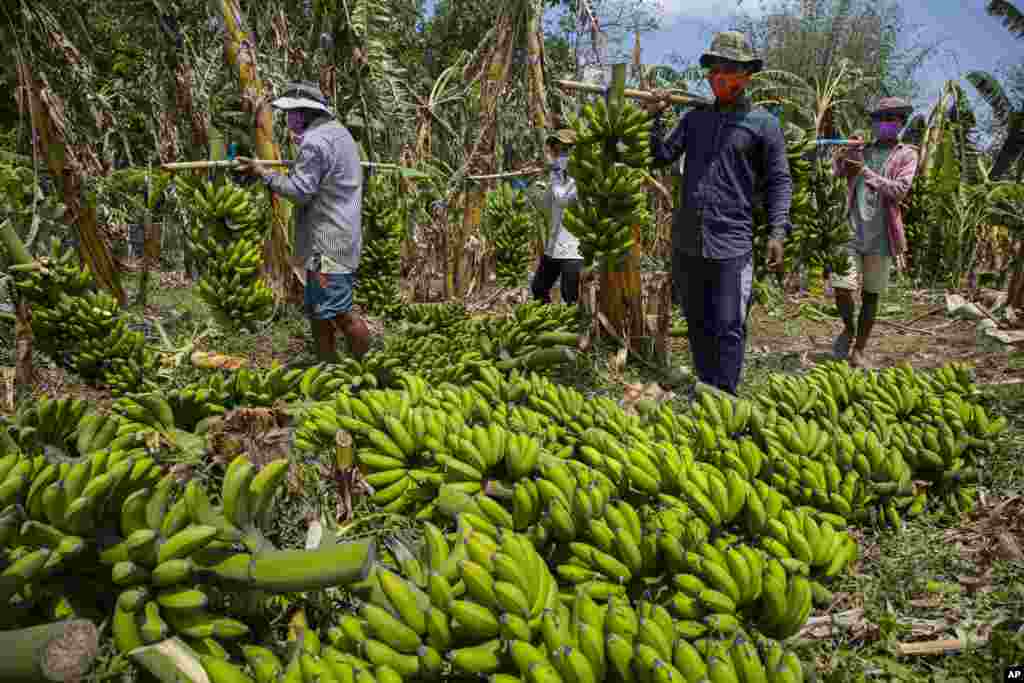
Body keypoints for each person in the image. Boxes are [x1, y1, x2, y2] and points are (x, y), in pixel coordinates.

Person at [644, 31, 793, 396]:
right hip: (689, 240)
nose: (718, 76)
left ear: (746, 76)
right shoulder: (696, 119)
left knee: (728, 323)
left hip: (731, 241)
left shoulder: (762, 124)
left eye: (728, 69)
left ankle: (725, 395)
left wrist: (777, 231)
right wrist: (656, 118)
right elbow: (661, 156)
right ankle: (706, 387)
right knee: (697, 322)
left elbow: (779, 180)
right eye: (714, 69)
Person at [236, 82, 371, 363]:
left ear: (304, 114)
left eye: (292, 113)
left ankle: (368, 371)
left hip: (327, 243)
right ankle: (328, 368)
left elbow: (299, 192)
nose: (288, 119)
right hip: (341, 233)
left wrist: (264, 173)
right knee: (319, 311)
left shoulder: (315, 142)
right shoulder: (339, 134)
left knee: (338, 312)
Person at [830, 97, 918, 368]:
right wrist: (845, 152)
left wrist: (865, 171)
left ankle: (859, 350)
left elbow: (899, 190)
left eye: (892, 119)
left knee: (870, 295)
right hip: (851, 230)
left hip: (882, 235)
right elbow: (837, 173)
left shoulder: (907, 154)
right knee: (842, 287)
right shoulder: (862, 149)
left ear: (901, 123)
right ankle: (848, 326)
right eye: (880, 118)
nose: (886, 124)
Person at [529, 129, 583, 305]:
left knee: (570, 297)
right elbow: (545, 207)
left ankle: (577, 330)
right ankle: (546, 323)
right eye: (557, 151)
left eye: (565, 151)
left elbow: (563, 200)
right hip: (554, 247)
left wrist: (555, 175)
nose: (560, 156)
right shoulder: (556, 178)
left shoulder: (581, 179)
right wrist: (538, 185)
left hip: (574, 250)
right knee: (538, 287)